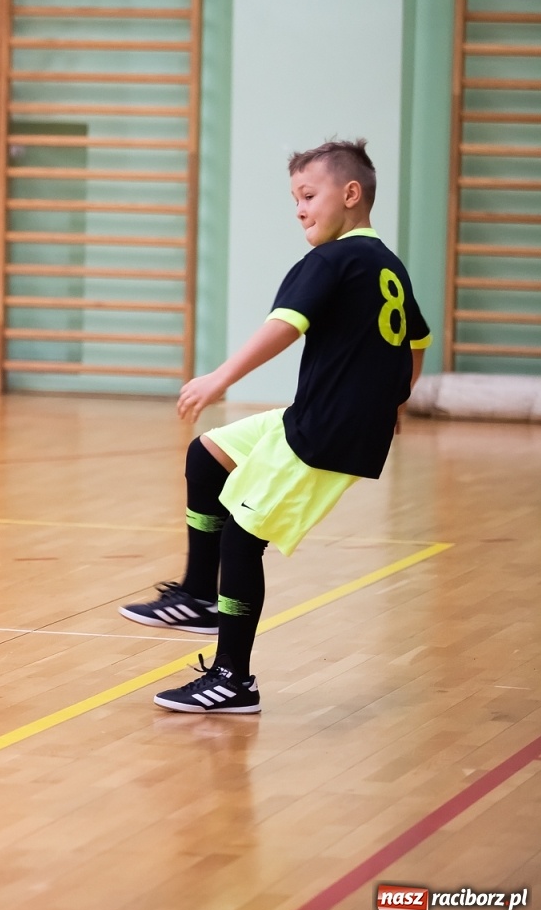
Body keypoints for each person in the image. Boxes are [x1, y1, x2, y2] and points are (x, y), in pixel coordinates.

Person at [120, 139, 430, 714]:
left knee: (243, 535)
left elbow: (285, 326)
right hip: (316, 414)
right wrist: (397, 399)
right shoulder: (387, 264)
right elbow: (417, 340)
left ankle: (233, 679)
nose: (300, 210)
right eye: (295, 200)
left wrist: (220, 378)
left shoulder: (330, 260)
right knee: (207, 454)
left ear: (351, 194)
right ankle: (199, 595)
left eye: (308, 196)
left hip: (327, 431)